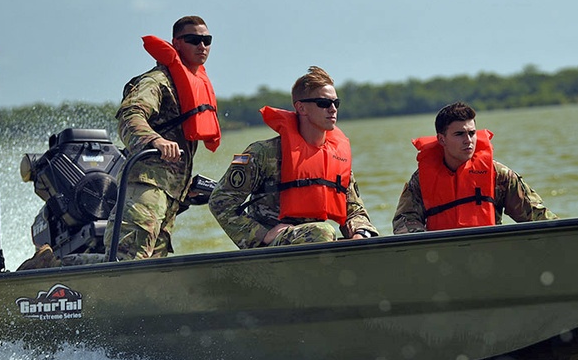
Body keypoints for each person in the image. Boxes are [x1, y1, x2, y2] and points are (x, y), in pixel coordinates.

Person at [17, 15, 220, 271]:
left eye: (207, 40)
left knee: (152, 268)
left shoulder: (191, 84)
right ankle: (51, 264)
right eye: (193, 40)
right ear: (176, 43)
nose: (202, 46)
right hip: (145, 184)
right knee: (127, 263)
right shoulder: (157, 81)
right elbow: (130, 115)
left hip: (171, 193)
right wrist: (154, 140)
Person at [209, 66, 378, 248]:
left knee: (370, 240)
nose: (332, 109)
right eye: (323, 103)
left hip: (316, 244)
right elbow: (220, 201)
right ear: (301, 108)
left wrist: (361, 233)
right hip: (273, 247)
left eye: (336, 103)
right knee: (323, 231)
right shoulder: (262, 153)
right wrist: (263, 234)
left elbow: (355, 211)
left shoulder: (337, 158)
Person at [392, 101, 557, 233]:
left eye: (472, 133)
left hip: (489, 254)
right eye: (459, 134)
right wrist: (423, 240)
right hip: (441, 256)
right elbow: (404, 220)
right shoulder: (421, 180)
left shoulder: (498, 174)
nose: (468, 140)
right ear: (442, 139)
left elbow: (537, 217)